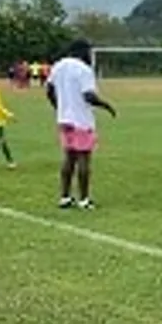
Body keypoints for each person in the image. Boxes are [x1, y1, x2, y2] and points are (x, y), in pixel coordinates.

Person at [46, 39, 117, 208]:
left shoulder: (58, 66)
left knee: (68, 157)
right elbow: (88, 96)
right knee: (84, 158)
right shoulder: (83, 70)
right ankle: (84, 199)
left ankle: (64, 196)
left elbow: (49, 90)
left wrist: (59, 107)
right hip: (81, 120)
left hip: (64, 120)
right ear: (82, 51)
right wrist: (106, 106)